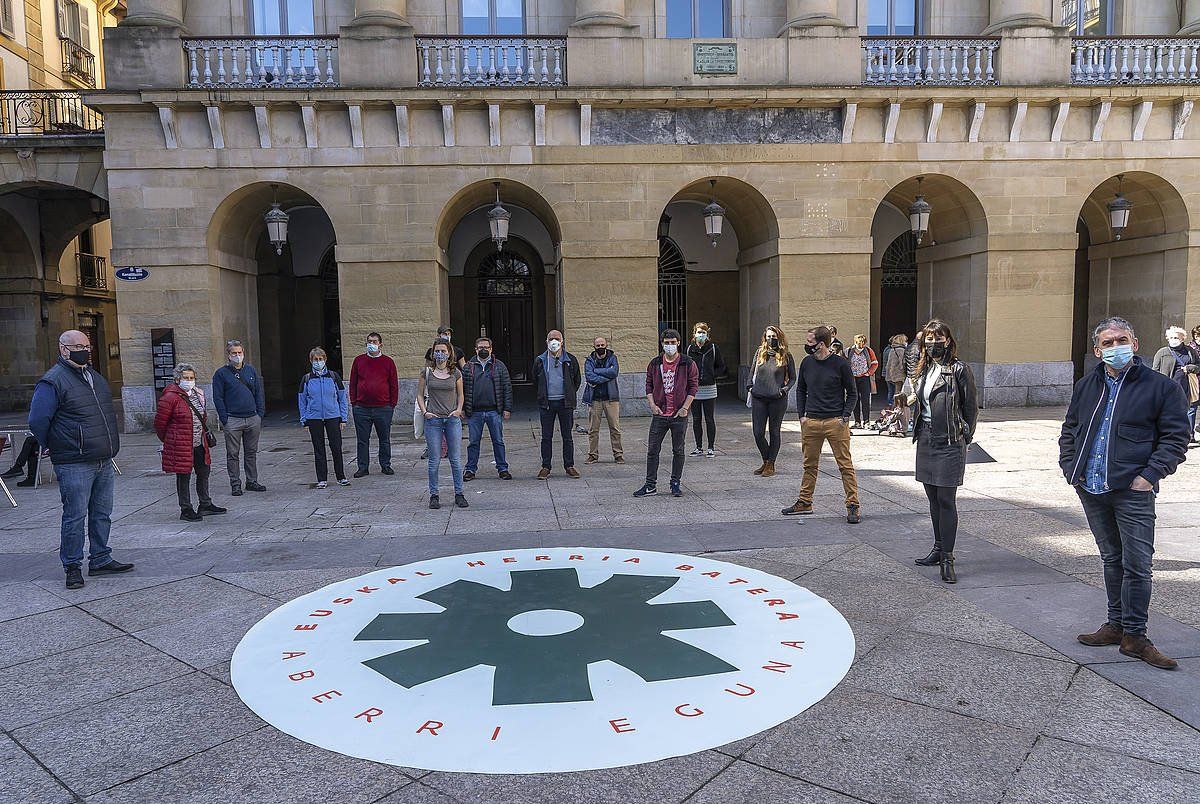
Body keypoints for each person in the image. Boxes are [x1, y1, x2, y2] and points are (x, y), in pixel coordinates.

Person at [1059, 316, 1189, 670]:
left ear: (1134, 344)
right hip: (1092, 486)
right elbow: (1070, 428)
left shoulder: (1160, 387)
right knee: (1111, 558)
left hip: (1132, 490)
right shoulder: (1088, 385)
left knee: (1138, 565)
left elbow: (1177, 438)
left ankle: (1136, 635)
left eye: (1122, 340)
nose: (1115, 346)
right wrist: (1071, 467)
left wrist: (1148, 476)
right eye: (1107, 342)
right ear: (1098, 350)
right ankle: (1116, 625)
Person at [29, 330, 132, 590]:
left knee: (102, 513)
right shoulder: (52, 381)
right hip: (74, 462)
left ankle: (100, 558)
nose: (84, 350)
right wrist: (55, 445)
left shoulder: (95, 377)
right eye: (78, 346)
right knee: (75, 516)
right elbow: (38, 421)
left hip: (102, 458)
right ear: (63, 349)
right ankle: (72, 566)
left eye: (87, 346)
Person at [909, 320, 978, 584]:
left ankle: (948, 557)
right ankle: (938, 548)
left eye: (939, 338)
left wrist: (965, 436)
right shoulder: (924, 368)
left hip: (950, 441)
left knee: (947, 499)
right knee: (932, 498)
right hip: (926, 437)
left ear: (948, 341)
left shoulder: (960, 369)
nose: (933, 343)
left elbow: (971, 407)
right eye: (929, 338)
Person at [783, 326, 860, 524]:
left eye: (810, 342)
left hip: (835, 422)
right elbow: (800, 390)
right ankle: (805, 502)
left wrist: (844, 417)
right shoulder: (807, 363)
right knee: (809, 465)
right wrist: (802, 416)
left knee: (845, 465)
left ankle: (852, 505)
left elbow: (852, 393)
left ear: (822, 344)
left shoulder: (840, 364)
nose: (807, 345)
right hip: (811, 422)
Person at [156, 363, 228, 522]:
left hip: (199, 442)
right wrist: (170, 439)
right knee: (184, 476)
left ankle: (205, 503)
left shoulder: (198, 394)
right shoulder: (170, 397)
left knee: (204, 472)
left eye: (191, 378)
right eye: (185, 378)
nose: (189, 380)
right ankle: (186, 508)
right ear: (177, 379)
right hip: (181, 443)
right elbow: (160, 424)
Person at [635, 329, 698, 498]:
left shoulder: (687, 363)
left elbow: (693, 386)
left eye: (672, 342)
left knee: (678, 450)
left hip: (679, 414)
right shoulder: (655, 363)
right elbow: (648, 385)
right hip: (660, 413)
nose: (669, 346)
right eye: (666, 343)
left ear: (678, 343)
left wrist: (685, 408)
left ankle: (675, 483)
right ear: (662, 344)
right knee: (653, 450)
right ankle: (650, 485)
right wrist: (652, 405)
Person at [212, 339, 266, 496]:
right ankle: (235, 483)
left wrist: (259, 414)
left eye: (239, 353)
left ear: (243, 353)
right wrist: (224, 419)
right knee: (233, 454)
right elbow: (218, 397)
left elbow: (258, 392)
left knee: (251, 452)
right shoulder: (221, 374)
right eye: (234, 353)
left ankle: (252, 481)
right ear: (228, 355)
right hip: (233, 419)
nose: (237, 356)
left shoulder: (250, 370)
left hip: (252, 418)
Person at [418, 340, 468, 509]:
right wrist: (425, 412)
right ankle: (434, 495)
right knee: (434, 460)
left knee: (455, 459)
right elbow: (419, 395)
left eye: (443, 350)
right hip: (433, 420)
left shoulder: (456, 373)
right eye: (437, 351)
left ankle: (459, 493)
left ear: (449, 353)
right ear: (433, 353)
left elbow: (461, 394)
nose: (440, 353)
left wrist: (459, 410)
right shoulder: (426, 372)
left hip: (452, 419)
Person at [746, 326, 796, 477]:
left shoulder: (786, 355)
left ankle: (771, 464)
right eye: (768, 336)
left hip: (777, 399)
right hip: (759, 398)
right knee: (758, 433)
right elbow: (751, 372)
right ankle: (766, 460)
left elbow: (793, 378)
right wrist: (750, 387)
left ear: (779, 338)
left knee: (774, 432)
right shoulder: (760, 353)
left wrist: (784, 389)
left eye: (773, 336)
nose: (770, 339)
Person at [298, 347, 350, 489]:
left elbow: (342, 398)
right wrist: (304, 419)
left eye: (321, 359)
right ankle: (322, 479)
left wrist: (343, 418)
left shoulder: (334, 377)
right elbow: (302, 400)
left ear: (325, 360)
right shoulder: (307, 379)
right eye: (316, 359)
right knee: (319, 449)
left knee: (336, 447)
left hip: (333, 416)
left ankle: (341, 476)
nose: (318, 362)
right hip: (314, 418)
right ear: (311, 361)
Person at [463, 336, 513, 481]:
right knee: (473, 442)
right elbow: (463, 389)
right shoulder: (469, 366)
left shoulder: (499, 366)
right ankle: (470, 469)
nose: (483, 350)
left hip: (494, 411)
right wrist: (463, 409)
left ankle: (503, 468)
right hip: (475, 412)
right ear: (476, 349)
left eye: (486, 347)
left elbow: (507, 388)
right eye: (480, 348)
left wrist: (507, 408)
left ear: (491, 349)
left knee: (498, 441)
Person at [533, 330, 582, 479]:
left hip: (565, 403)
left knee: (567, 436)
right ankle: (546, 466)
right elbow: (536, 379)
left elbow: (576, 380)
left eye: (557, 338)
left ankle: (569, 466)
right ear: (546, 341)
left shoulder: (570, 359)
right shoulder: (540, 360)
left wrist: (569, 393)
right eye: (551, 339)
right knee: (546, 437)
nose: (554, 341)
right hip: (547, 404)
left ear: (562, 341)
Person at [350, 332, 399, 478]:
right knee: (362, 440)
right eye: (369, 341)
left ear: (380, 344)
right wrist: (354, 402)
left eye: (375, 341)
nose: (372, 344)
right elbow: (353, 383)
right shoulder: (358, 361)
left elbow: (393, 384)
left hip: (383, 408)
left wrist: (392, 404)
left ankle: (385, 465)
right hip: (361, 408)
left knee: (384, 439)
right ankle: (363, 467)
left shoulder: (388, 362)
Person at [1151, 326, 1200, 445]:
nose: (1173, 339)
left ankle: (1187, 436)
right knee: (1167, 412)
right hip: (1167, 389)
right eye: (1171, 337)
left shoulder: (1190, 351)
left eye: (1176, 337)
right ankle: (1166, 436)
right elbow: (1154, 371)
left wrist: (1190, 368)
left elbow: (1198, 366)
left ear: (1182, 338)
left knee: (1187, 411)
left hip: (1185, 387)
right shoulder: (1162, 352)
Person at [687, 322, 726, 457]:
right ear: (694, 334)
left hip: (709, 388)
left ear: (707, 334)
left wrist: (712, 375)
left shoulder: (713, 348)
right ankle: (698, 447)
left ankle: (711, 447)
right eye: (699, 332)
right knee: (696, 418)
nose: (701, 335)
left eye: (703, 332)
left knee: (709, 418)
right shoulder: (690, 349)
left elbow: (721, 366)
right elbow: (686, 367)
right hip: (695, 389)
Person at [583, 335, 624, 465]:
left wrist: (597, 372)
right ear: (594, 346)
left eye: (602, 345)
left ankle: (618, 454)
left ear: (606, 345)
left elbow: (614, 372)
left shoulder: (613, 358)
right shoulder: (589, 360)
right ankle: (592, 455)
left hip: (611, 398)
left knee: (615, 428)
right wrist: (606, 375)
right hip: (594, 399)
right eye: (598, 345)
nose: (600, 347)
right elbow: (590, 376)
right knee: (593, 429)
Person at [847, 334, 879, 429]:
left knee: (865, 400)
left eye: (863, 344)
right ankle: (857, 422)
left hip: (865, 378)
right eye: (859, 344)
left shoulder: (869, 351)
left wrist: (869, 373)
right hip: (853, 378)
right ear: (855, 342)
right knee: (854, 400)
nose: (861, 346)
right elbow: (844, 363)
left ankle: (866, 421)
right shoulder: (849, 351)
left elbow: (875, 363)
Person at [884, 334, 908, 405]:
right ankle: (897, 409)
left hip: (889, 375)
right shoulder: (902, 350)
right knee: (898, 393)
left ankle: (891, 407)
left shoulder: (892, 350)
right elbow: (903, 363)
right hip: (898, 376)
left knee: (891, 392)